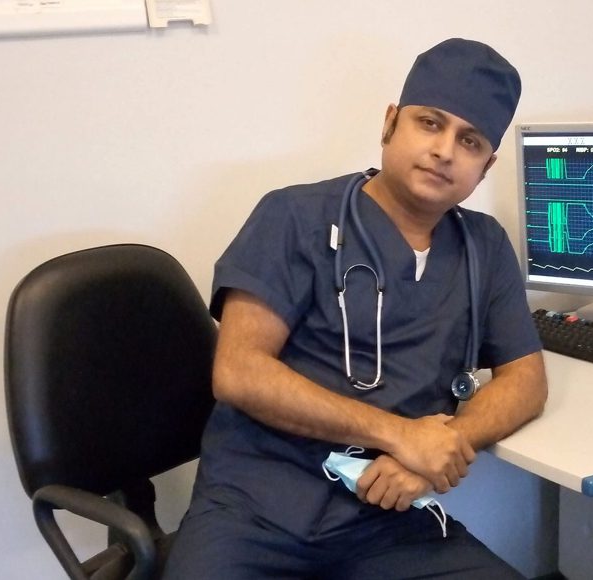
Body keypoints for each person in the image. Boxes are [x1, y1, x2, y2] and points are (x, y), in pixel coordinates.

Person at [165, 37, 548, 579]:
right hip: (254, 511)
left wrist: (445, 445)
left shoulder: (483, 247)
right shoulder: (293, 216)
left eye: (470, 141)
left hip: (389, 521)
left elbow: (526, 378)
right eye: (430, 123)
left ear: (485, 168)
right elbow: (239, 372)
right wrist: (400, 436)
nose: (445, 151)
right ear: (390, 124)